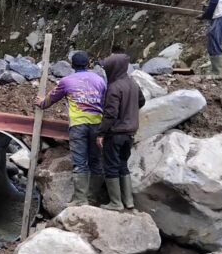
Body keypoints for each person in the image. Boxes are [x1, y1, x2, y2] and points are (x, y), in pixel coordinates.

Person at [36, 51, 107, 206]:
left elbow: (51, 99)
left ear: (72, 66)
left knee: (80, 163)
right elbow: (106, 102)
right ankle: (93, 198)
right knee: (96, 161)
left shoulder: (66, 81)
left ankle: (81, 200)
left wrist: (41, 103)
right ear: (89, 64)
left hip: (78, 125)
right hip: (98, 125)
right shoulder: (100, 80)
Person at [97, 51, 145, 211]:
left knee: (111, 166)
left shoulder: (114, 87)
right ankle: (129, 201)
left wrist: (101, 133)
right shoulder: (133, 83)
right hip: (130, 133)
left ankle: (116, 203)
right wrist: (129, 112)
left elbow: (110, 113)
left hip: (116, 133)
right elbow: (142, 101)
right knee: (123, 165)